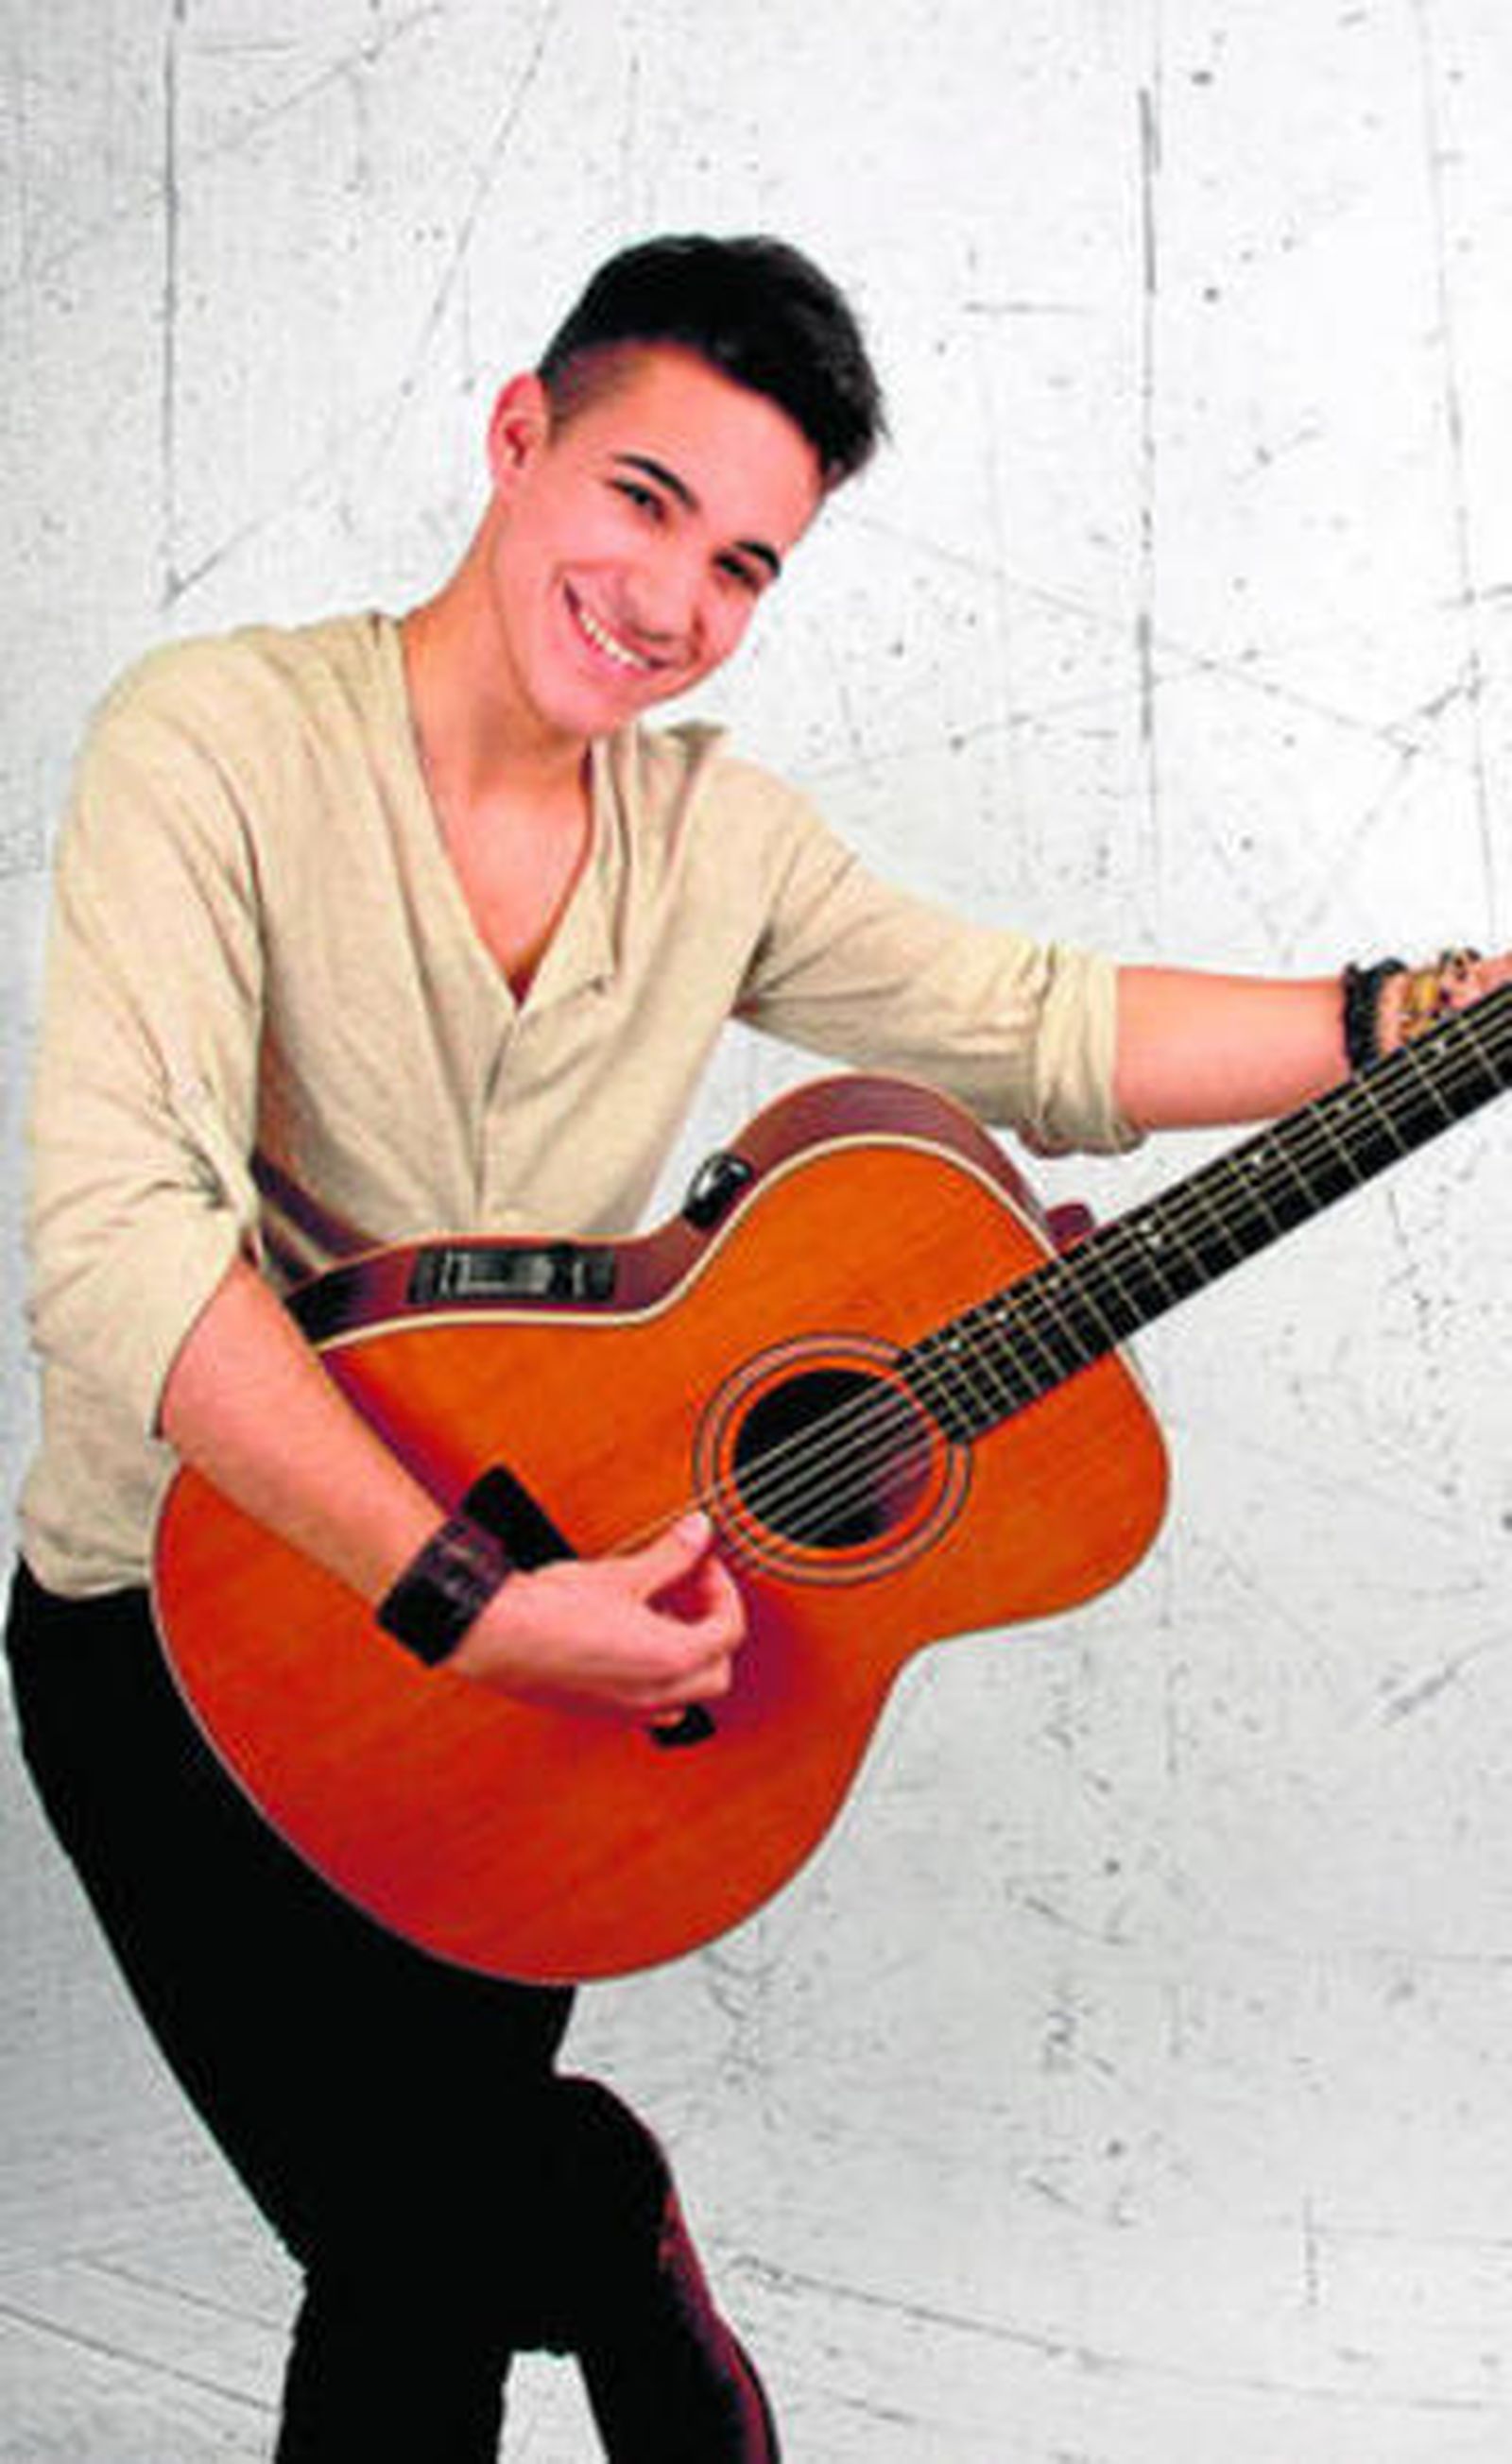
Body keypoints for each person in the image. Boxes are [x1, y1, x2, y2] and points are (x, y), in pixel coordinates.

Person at [6, 231, 1508, 2461]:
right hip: (174, 1614)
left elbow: (1038, 1026)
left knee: (404, 2266)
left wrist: (1392, 1016)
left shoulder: (715, 837)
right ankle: (606, 2226)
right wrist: (467, 1600)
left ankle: (585, 2227)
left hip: (575, 1606)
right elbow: (119, 1246)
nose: (667, 600)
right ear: (515, 435)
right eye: (641, 497)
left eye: (740, 564)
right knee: (426, 2222)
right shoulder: (212, 739)